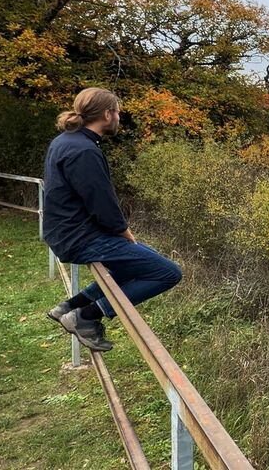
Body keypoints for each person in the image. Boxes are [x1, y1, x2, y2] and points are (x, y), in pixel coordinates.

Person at [42, 87, 182, 351]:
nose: (119, 116)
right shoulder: (84, 150)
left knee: (141, 259)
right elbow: (100, 202)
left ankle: (70, 306)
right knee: (168, 272)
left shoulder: (65, 141)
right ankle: (85, 317)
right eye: (117, 111)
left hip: (67, 231)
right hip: (80, 237)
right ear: (107, 114)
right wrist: (122, 231)